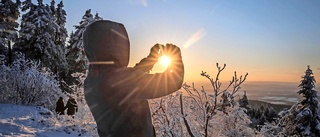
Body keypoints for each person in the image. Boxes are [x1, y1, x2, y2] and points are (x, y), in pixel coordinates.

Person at [83, 20, 184, 137]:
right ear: (113, 46)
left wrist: (151, 58)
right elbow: (173, 82)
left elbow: (130, 80)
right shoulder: (122, 79)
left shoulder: (92, 79)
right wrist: (175, 55)